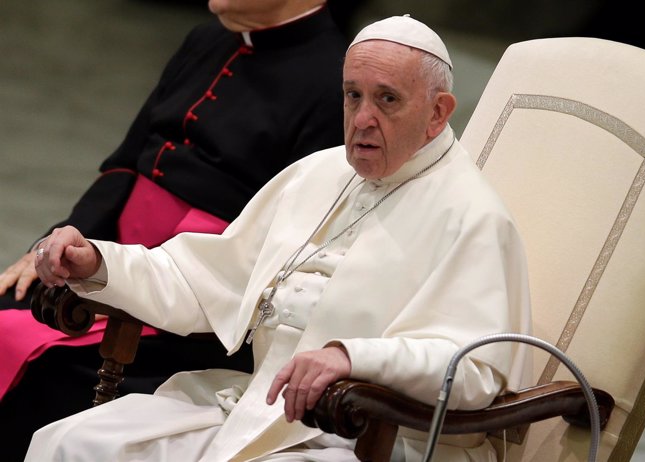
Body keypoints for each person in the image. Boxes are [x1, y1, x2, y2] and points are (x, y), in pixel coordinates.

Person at [27, 15, 532, 462]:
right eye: (353, 95)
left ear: (438, 112)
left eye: (388, 100)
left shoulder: (474, 217)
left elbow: (474, 370)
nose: (361, 119)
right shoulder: (318, 173)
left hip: (375, 438)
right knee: (74, 443)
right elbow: (205, 279)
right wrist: (97, 262)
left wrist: (352, 358)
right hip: (259, 407)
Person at [0, 0, 346, 459]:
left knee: (49, 370)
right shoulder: (208, 39)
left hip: (191, 307)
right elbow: (127, 162)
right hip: (109, 255)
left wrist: (131, 289)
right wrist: (60, 237)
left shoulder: (336, 81)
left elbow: (285, 244)